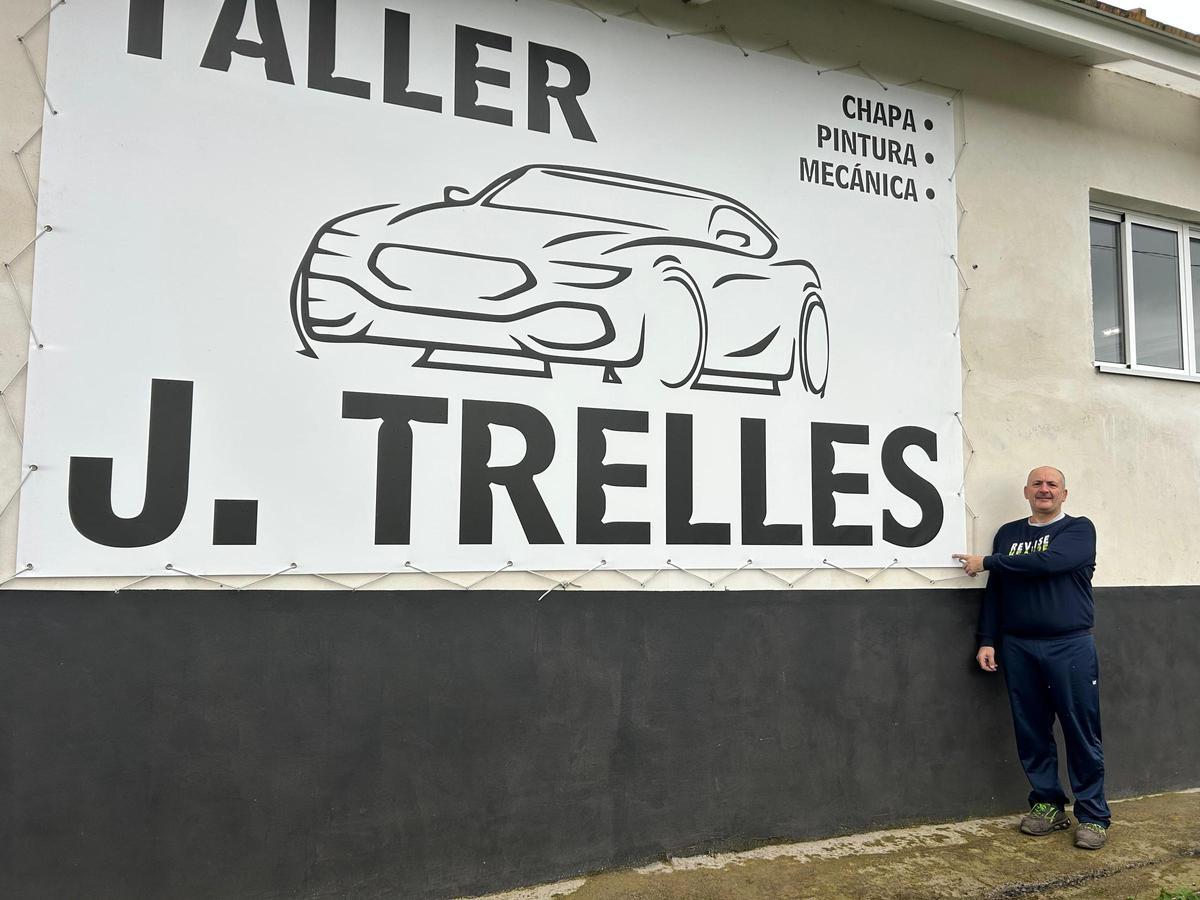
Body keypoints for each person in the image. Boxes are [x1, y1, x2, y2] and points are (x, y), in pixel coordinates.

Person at [952, 466, 1111, 851]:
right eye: (1037, 484)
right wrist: (988, 638)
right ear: (1026, 492)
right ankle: (1047, 804)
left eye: (1052, 484)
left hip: (1069, 644)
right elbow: (998, 591)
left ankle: (1093, 815)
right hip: (1019, 645)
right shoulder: (1008, 534)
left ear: (1064, 494)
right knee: (1032, 729)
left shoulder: (1078, 529)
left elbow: (1050, 563)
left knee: (1080, 731)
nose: (1044, 489)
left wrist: (988, 561)